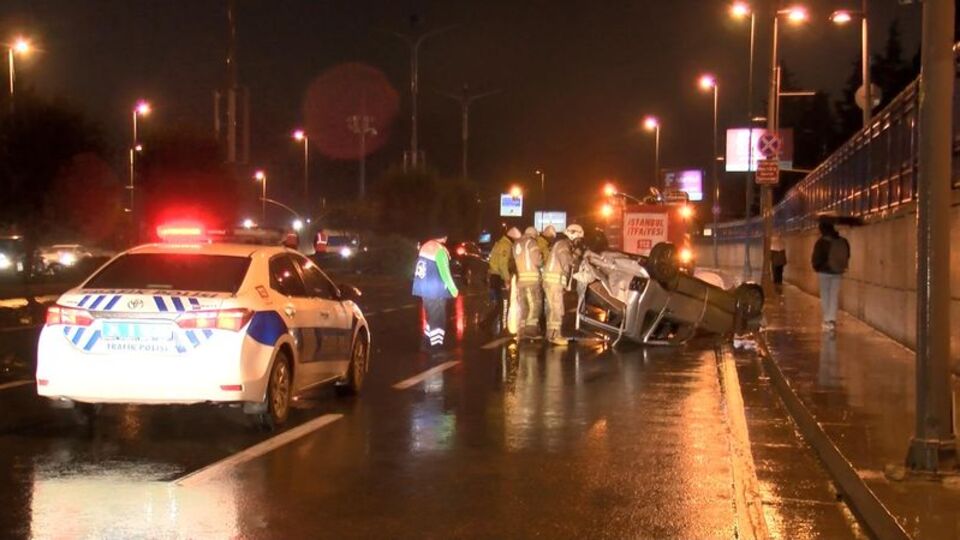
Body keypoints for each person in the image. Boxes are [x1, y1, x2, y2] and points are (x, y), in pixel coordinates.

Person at [412, 233, 459, 352]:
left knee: (432, 317)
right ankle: (436, 349)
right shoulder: (439, 250)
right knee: (438, 319)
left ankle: (426, 343)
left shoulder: (425, 246)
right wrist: (453, 290)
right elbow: (445, 273)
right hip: (435, 290)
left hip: (423, 288)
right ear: (444, 237)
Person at [542, 224, 584, 345]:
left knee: (552, 308)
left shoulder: (562, 244)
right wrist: (577, 256)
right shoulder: (563, 245)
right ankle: (555, 336)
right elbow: (567, 262)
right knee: (557, 308)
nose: (578, 242)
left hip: (553, 282)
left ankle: (551, 334)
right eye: (578, 239)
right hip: (554, 282)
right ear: (573, 235)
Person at [811, 221, 849, 332]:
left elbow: (816, 258)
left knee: (825, 296)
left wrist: (817, 267)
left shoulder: (821, 242)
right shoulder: (842, 241)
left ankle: (827, 320)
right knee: (834, 295)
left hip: (824, 272)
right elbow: (847, 254)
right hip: (837, 271)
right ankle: (832, 319)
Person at [486, 227, 521, 331]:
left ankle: (486, 323)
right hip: (498, 277)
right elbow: (503, 264)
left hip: (495, 276)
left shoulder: (501, 243)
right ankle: (503, 327)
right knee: (503, 304)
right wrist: (507, 279)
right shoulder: (505, 246)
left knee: (499, 304)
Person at [513, 226, 543, 339]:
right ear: (533, 235)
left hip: (521, 281)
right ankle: (530, 331)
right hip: (531, 281)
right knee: (535, 305)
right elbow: (537, 260)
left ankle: (521, 330)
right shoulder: (531, 242)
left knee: (524, 307)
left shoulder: (516, 244)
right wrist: (541, 259)